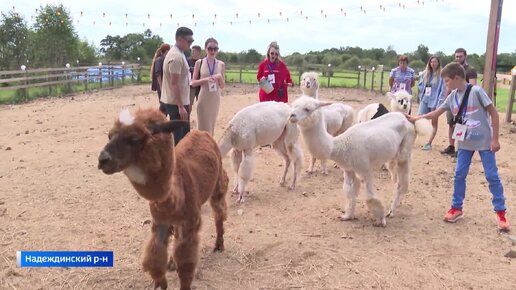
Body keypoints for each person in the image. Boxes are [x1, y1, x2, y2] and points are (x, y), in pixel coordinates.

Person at [408, 62, 510, 231]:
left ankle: (501, 213)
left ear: (456, 78)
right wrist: (416, 118)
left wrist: (495, 139)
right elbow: (437, 112)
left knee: (492, 176)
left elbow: (493, 113)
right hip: (464, 144)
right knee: (459, 175)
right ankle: (457, 208)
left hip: (484, 143)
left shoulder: (476, 91)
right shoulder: (452, 96)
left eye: (447, 81)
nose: (445, 84)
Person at [442, 48, 478, 156]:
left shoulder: (470, 70)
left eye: (460, 56)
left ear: (465, 56)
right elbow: (447, 85)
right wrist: (445, 98)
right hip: (452, 100)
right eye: (456, 56)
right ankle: (451, 146)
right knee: (451, 123)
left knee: (462, 124)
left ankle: (460, 148)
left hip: (464, 102)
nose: (458, 58)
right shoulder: (452, 69)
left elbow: (473, 85)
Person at [161, 26, 194, 145]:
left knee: (182, 136)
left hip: (175, 101)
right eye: (189, 41)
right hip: (176, 104)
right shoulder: (176, 57)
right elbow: (174, 83)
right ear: (180, 39)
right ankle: (176, 162)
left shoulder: (178, 53)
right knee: (178, 139)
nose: (190, 44)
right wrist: (181, 106)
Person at [190, 38, 225, 136]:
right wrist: (206, 80)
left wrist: (219, 77)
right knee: (202, 128)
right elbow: (193, 83)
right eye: (210, 48)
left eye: (215, 48)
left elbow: (222, 86)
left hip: (215, 100)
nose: (212, 51)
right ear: (205, 49)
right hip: (203, 99)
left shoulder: (221, 64)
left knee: (211, 128)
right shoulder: (199, 62)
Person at [417, 55, 446, 150]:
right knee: (418, 118)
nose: (433, 64)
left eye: (435, 62)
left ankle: (429, 143)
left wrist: (440, 103)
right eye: (431, 62)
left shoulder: (441, 75)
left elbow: (443, 90)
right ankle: (412, 139)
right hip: (425, 99)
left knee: (434, 122)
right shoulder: (425, 74)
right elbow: (420, 86)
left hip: (435, 101)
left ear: (438, 63)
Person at [150, 43, 171, 116]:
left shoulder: (164, 59)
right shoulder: (160, 60)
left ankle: (160, 119)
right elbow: (158, 74)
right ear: (167, 51)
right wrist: (162, 87)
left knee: (165, 105)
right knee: (164, 105)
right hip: (161, 85)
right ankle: (159, 119)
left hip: (164, 85)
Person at [187, 45, 202, 109]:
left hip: (200, 86)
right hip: (191, 86)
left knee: (201, 104)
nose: (192, 53)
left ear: (198, 52)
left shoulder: (202, 62)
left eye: (194, 51)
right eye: (192, 51)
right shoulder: (188, 61)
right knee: (189, 104)